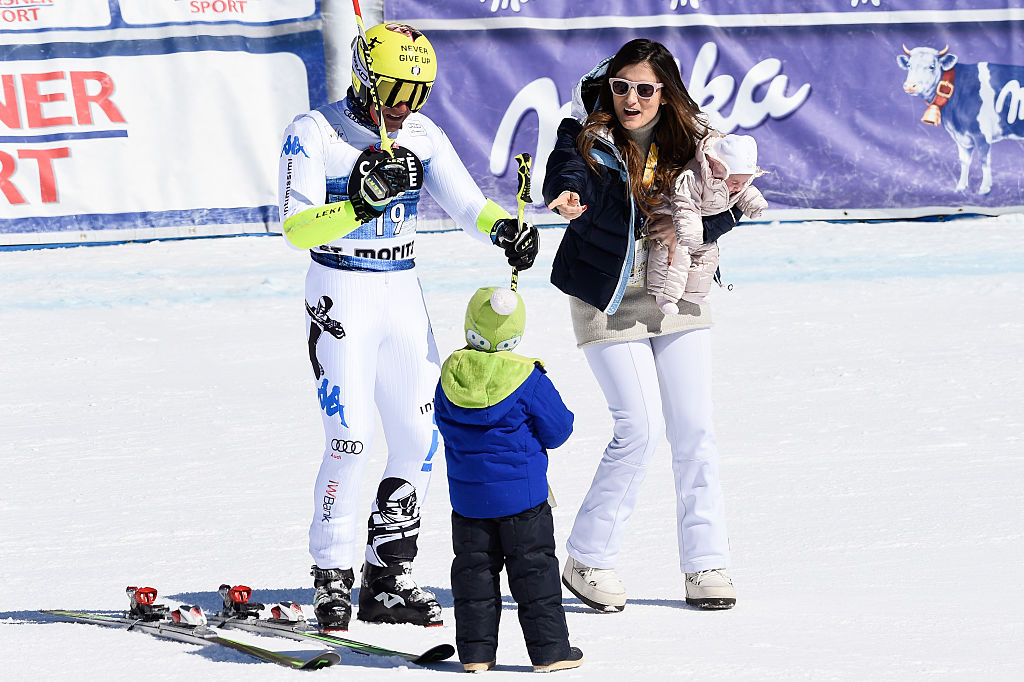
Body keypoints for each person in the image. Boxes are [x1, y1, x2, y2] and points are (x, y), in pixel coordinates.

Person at [276, 22, 539, 632]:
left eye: (416, 93)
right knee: (349, 441)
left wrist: (504, 230)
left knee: (421, 440)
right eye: (394, 90)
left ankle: (388, 575)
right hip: (340, 289)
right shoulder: (313, 133)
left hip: (401, 288)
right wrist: (358, 205)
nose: (404, 106)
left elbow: (469, 204)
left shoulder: (420, 134)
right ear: (366, 74)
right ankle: (333, 576)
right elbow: (296, 228)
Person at [543, 38, 739, 612]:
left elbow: (734, 203)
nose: (631, 98)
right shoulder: (583, 137)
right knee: (640, 428)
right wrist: (568, 193)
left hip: (679, 290)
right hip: (607, 296)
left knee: (695, 429)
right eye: (622, 86)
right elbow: (565, 171)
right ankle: (587, 558)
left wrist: (692, 231)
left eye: (645, 89)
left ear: (665, 93)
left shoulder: (698, 142)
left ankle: (706, 565)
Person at [433, 286, 582, 673]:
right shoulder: (527, 378)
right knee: (534, 574)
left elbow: (443, 425)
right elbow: (559, 429)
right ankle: (550, 653)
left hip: (467, 502)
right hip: (523, 501)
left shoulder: (450, 374)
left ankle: (476, 655)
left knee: (473, 575)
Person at [648, 133, 768, 314]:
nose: (738, 187)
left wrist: (755, 204)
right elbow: (685, 203)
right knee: (673, 254)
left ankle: (695, 292)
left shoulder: (737, 183)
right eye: (735, 182)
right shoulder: (693, 177)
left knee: (708, 254)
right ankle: (665, 296)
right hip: (675, 219)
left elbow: (746, 193)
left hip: (701, 225)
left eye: (743, 182)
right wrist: (689, 232)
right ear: (719, 168)